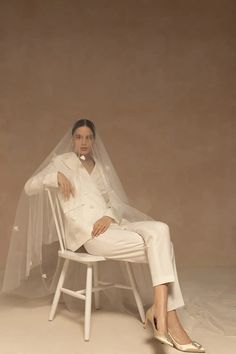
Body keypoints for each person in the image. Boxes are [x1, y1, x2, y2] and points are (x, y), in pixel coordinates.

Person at [2, 119, 205, 352]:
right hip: (90, 236)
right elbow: (30, 186)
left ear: (94, 141)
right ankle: (171, 320)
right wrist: (54, 177)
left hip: (112, 227)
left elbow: (114, 203)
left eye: (88, 137)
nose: (84, 142)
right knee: (164, 248)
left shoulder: (101, 169)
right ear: (72, 140)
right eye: (79, 137)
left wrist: (108, 216)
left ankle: (159, 314)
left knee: (161, 230)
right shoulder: (62, 163)